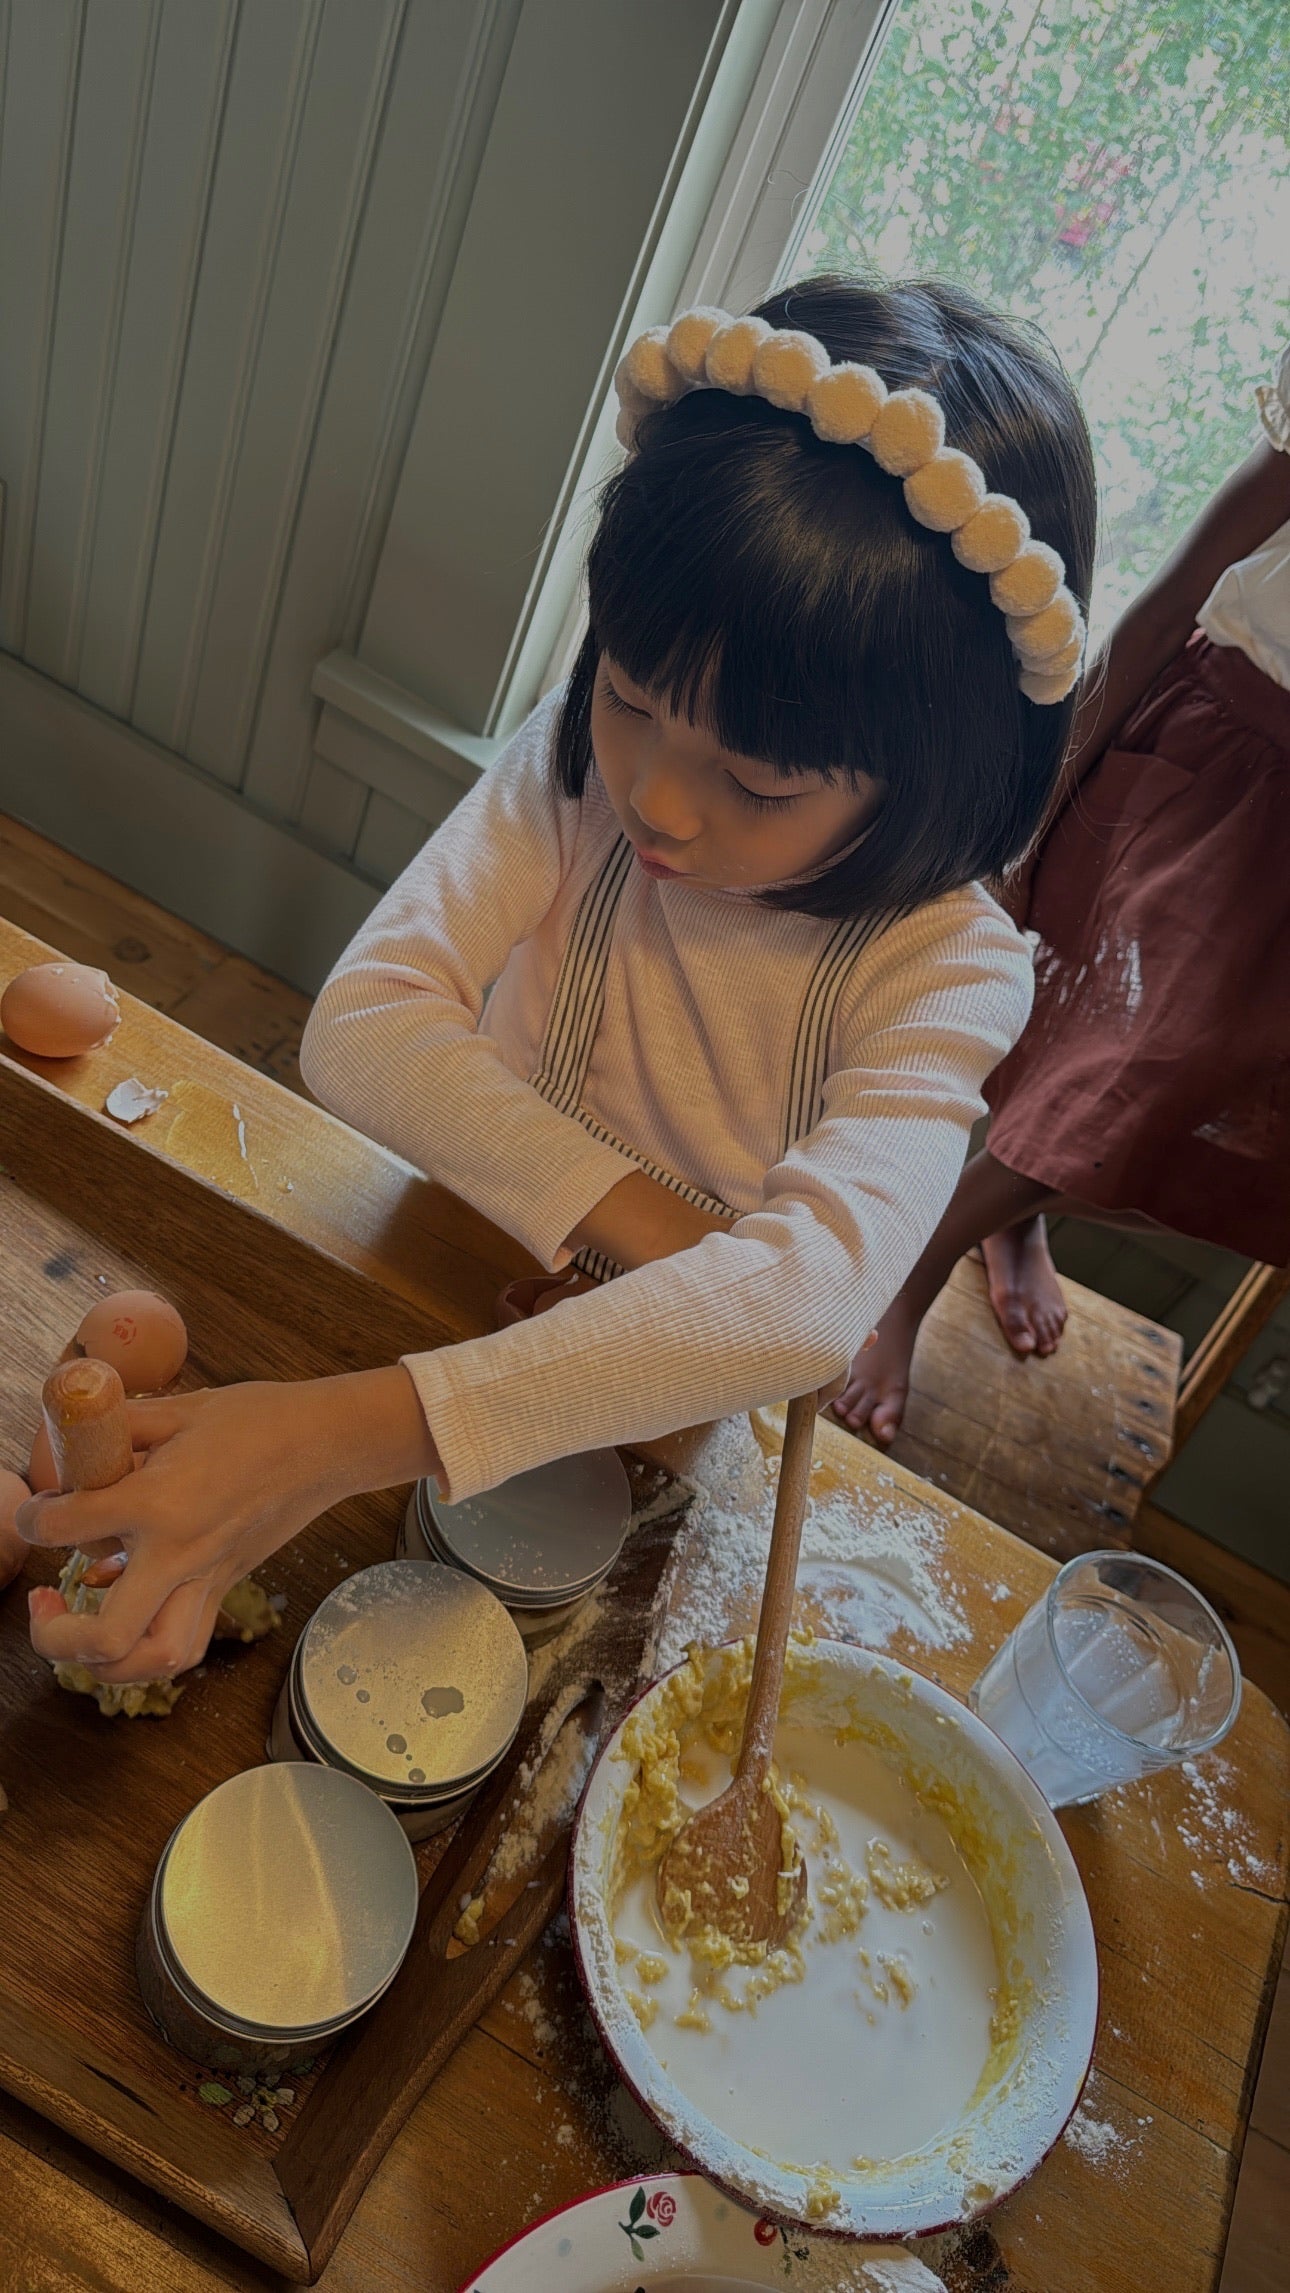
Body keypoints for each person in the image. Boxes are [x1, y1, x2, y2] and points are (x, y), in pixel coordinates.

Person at [17, 276, 1095, 1688]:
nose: (655, 798)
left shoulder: (943, 968)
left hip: (650, 1381)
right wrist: (671, 1241)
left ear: (937, 782)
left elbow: (803, 1314)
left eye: (759, 782)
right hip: (453, 1242)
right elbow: (362, 1031)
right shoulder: (576, 760)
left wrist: (338, 1431)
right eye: (634, 695)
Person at [835, 345, 1290, 1446]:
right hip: (1217, 781)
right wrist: (1039, 802)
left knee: (1228, 1132)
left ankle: (1005, 1210)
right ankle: (934, 1239)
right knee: (1134, 1066)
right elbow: (1171, 596)